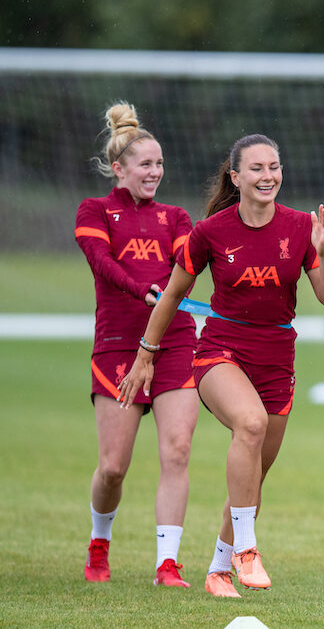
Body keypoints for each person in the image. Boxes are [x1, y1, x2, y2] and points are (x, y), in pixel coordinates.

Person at [118, 134, 324, 598]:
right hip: (221, 354)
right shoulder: (210, 232)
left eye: (274, 167)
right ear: (236, 178)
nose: (268, 176)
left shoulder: (302, 227)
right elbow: (174, 294)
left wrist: (323, 252)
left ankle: (219, 570)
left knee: (252, 477)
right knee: (251, 422)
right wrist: (147, 353)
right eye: (257, 169)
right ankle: (247, 550)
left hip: (278, 363)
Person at [75, 101, 199, 587]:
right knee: (112, 468)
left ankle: (167, 564)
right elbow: (102, 262)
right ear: (119, 168)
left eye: (160, 163)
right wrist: (142, 290)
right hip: (118, 346)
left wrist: (167, 294)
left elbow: (185, 271)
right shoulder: (94, 210)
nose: (156, 172)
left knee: (178, 450)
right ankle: (99, 543)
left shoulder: (176, 217)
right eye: (146, 164)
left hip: (174, 342)